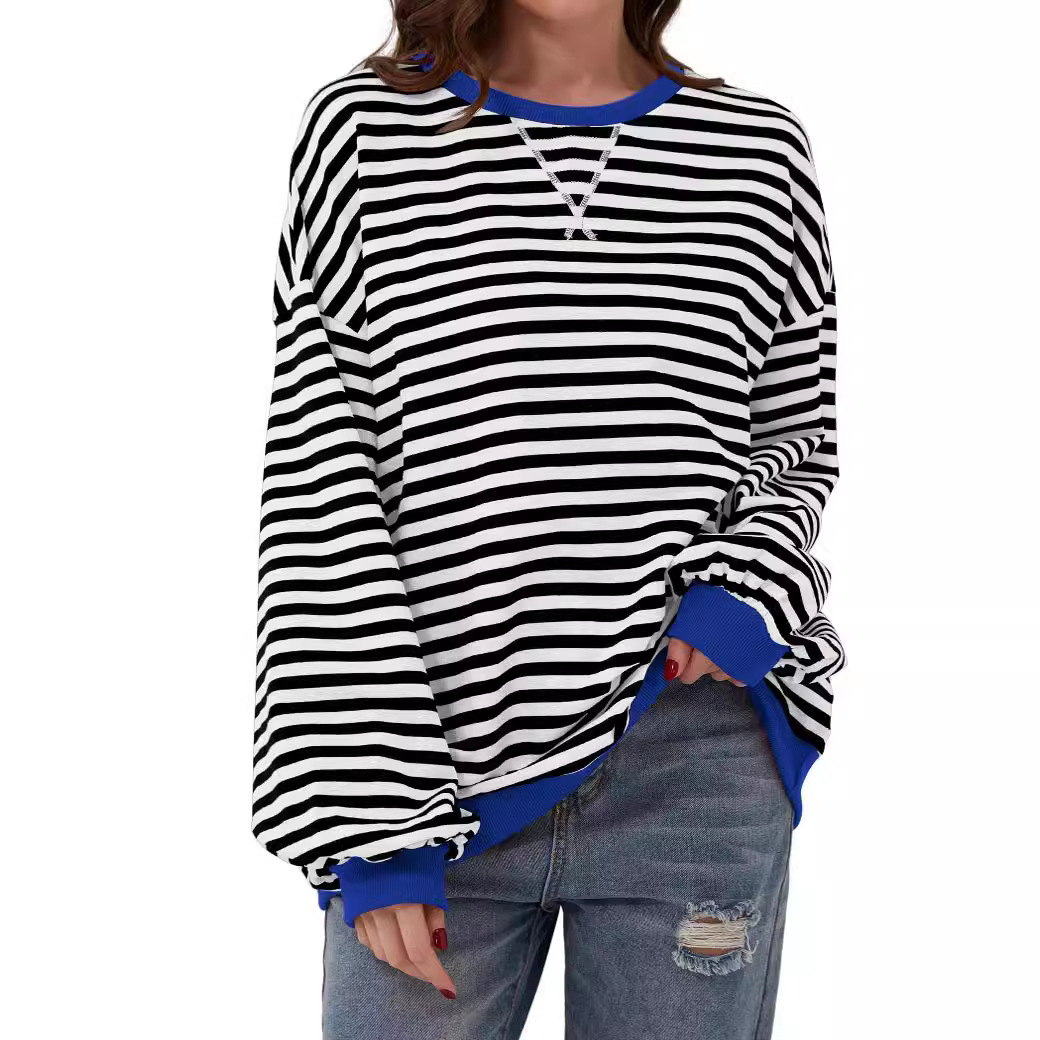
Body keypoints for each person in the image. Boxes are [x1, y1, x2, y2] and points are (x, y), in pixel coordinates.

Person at [253, 1, 845, 1036]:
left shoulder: (756, 150)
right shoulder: (366, 133)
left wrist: (741, 593)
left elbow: (794, 433)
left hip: (689, 747)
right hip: (431, 764)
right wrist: (373, 817)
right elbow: (322, 470)